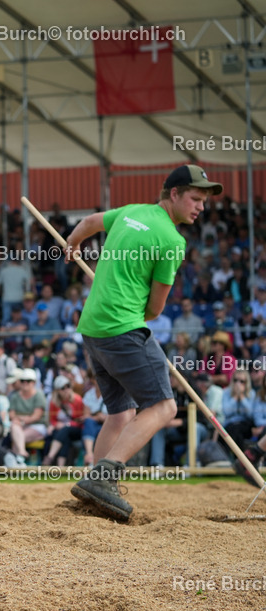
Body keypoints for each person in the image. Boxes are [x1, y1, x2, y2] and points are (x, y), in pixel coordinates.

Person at [65, 164, 222, 520]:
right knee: (164, 408)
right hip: (123, 327)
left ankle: (92, 491)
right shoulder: (172, 240)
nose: (200, 207)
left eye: (204, 202)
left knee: (121, 413)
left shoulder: (132, 211)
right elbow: (155, 307)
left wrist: (71, 246)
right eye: (195, 199)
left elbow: (89, 222)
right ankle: (105, 479)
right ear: (174, 194)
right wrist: (138, 317)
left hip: (92, 326)